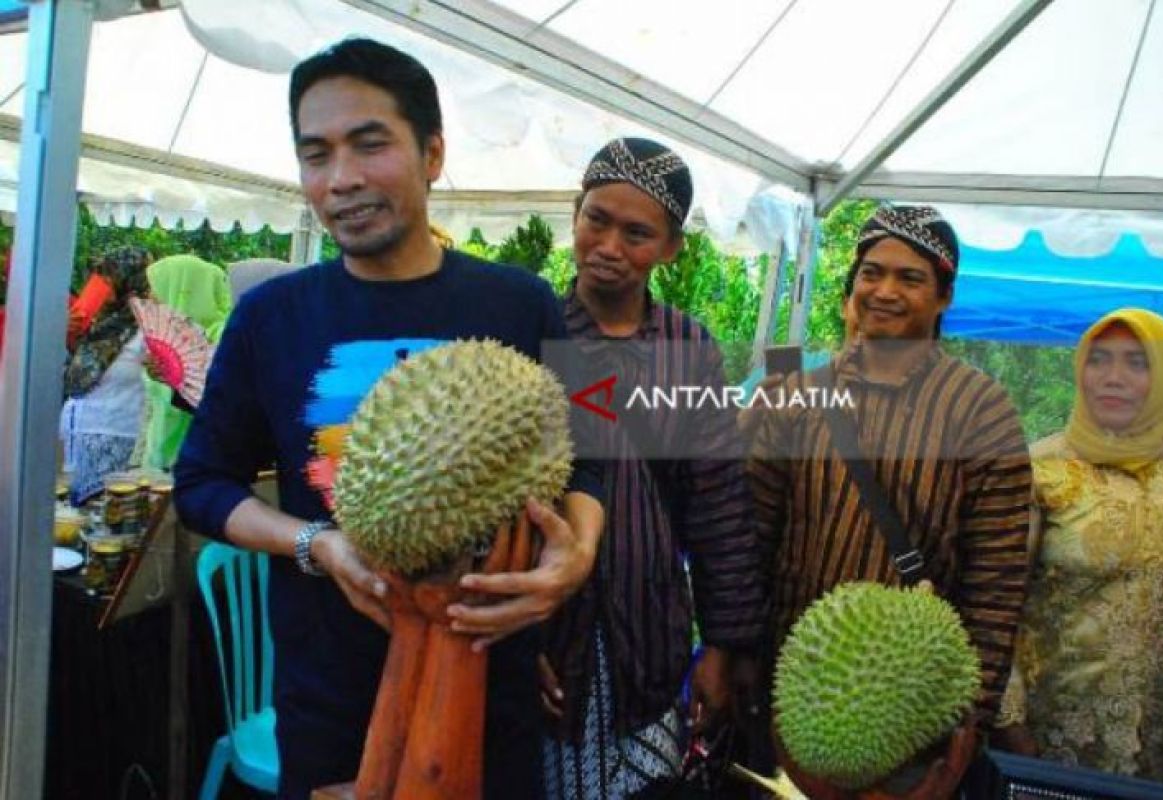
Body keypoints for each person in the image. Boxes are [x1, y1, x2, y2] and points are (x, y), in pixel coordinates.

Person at [171, 37, 604, 800]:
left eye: (370, 146)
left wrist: (576, 558)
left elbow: (591, 456)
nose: (341, 180)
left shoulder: (520, 302)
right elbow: (202, 483)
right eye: (316, 155)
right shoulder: (270, 317)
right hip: (331, 703)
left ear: (432, 153)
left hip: (490, 684)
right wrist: (317, 544)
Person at [747, 206, 1033, 758]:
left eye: (911, 278)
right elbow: (753, 535)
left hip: (911, 703)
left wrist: (969, 719)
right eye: (871, 273)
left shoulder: (980, 410)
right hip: (788, 681)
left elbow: (995, 582)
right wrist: (733, 653)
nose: (884, 290)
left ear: (944, 296)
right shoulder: (795, 392)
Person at [538, 138, 765, 798]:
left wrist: (722, 646)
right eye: (596, 219)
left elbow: (718, 505)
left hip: (652, 629)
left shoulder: (688, 348)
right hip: (554, 633)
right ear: (575, 214)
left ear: (671, 248)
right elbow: (487, 503)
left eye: (637, 233)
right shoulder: (533, 329)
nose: (608, 245)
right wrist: (514, 647)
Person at [993, 308, 1163, 787]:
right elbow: (993, 608)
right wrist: (1013, 731)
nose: (1112, 378)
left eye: (1137, 363)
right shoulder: (1040, 470)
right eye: (1099, 359)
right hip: (1053, 750)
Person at [58, 246, 152, 504]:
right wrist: (63, 334)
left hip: (115, 436)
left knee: (105, 519)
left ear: (130, 280)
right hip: (73, 435)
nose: (102, 287)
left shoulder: (148, 329)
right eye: (100, 278)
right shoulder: (94, 322)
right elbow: (61, 375)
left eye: (110, 279)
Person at [139, 254, 231, 470]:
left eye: (155, 287)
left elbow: (212, 399)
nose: (150, 297)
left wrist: (171, 381)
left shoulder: (223, 337)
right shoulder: (162, 334)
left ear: (179, 288)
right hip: (164, 454)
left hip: (207, 459)